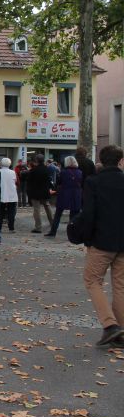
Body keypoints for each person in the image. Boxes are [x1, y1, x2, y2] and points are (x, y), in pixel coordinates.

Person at [79, 144, 124, 347]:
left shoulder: (94, 182)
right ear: (120, 160)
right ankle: (121, 330)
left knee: (92, 280)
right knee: (120, 284)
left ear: (102, 160)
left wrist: (86, 238)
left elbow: (89, 214)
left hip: (102, 241)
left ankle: (110, 325)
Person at [46, 156, 83, 238]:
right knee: (73, 215)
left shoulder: (63, 172)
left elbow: (58, 183)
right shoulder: (80, 172)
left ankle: (53, 231)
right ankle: (72, 233)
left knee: (58, 214)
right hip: (76, 194)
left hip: (64, 193)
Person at [27, 154, 53, 233]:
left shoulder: (33, 170)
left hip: (35, 192)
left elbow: (29, 182)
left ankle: (38, 227)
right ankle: (53, 223)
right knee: (47, 207)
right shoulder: (47, 169)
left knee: (37, 209)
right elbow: (49, 181)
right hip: (45, 191)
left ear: (36, 160)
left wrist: (29, 192)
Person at [0, 158, 18, 232]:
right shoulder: (12, 172)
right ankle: (11, 228)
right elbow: (15, 181)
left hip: (1, 194)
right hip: (11, 193)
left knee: (0, 212)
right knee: (11, 212)